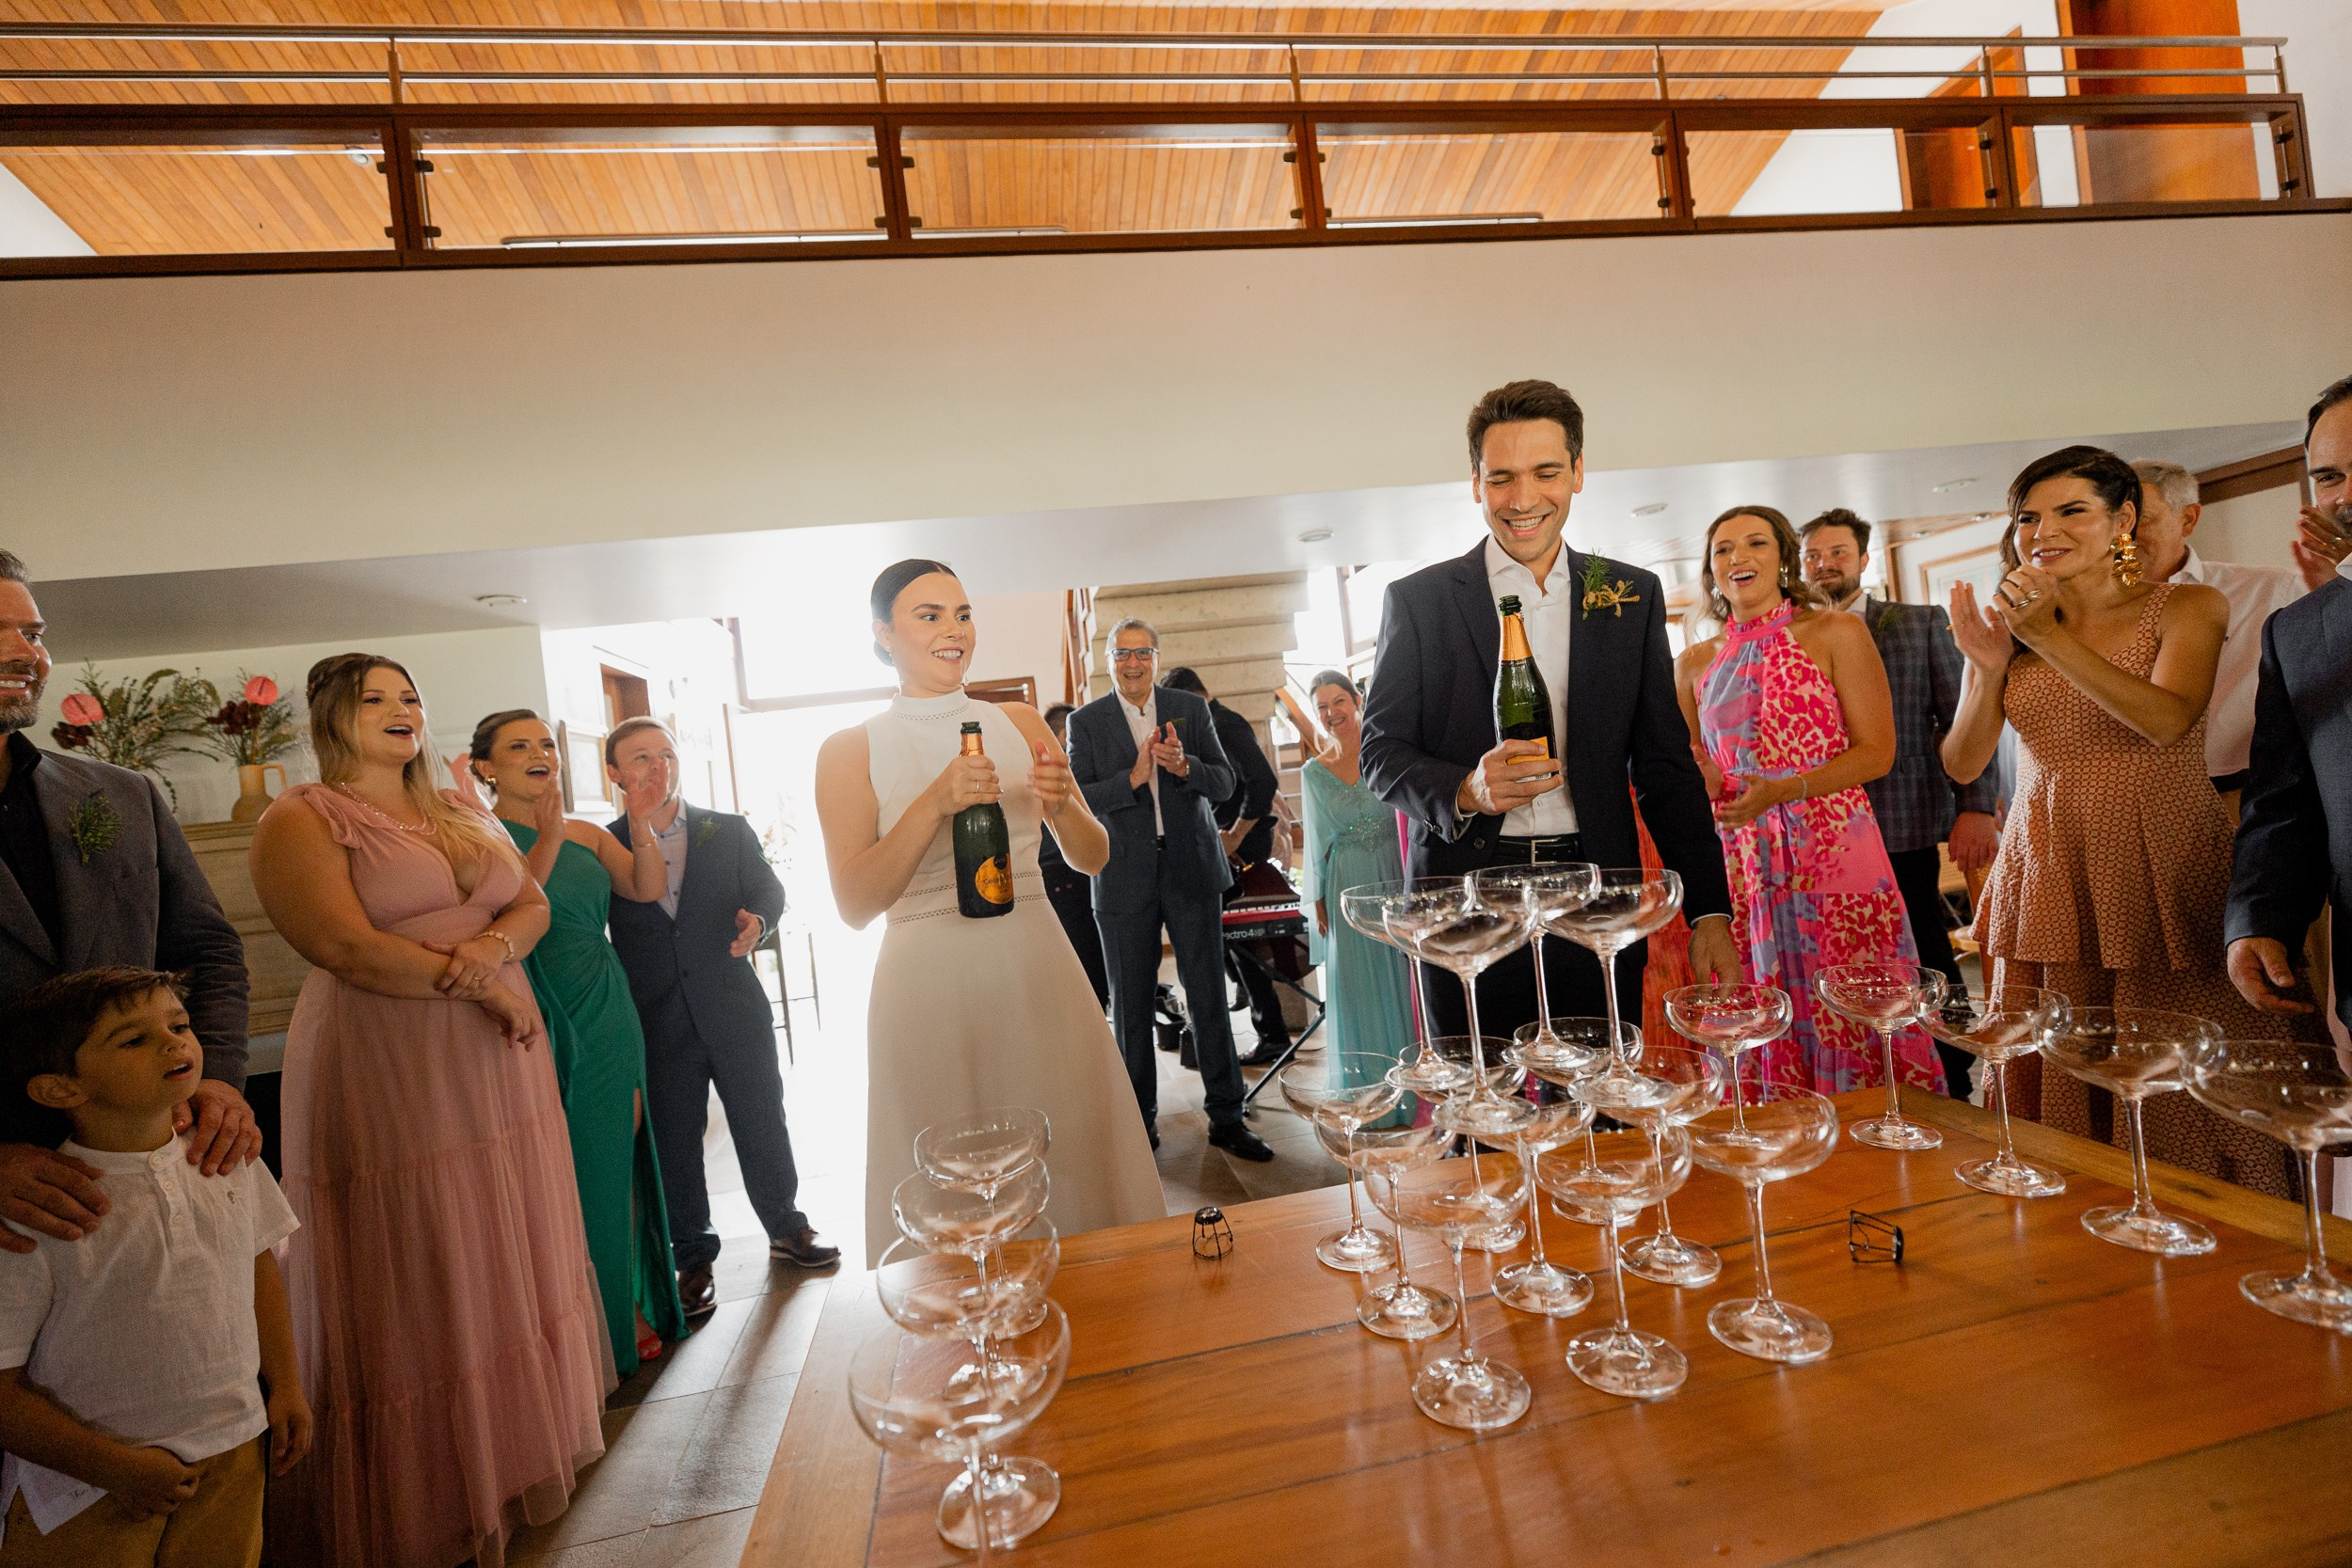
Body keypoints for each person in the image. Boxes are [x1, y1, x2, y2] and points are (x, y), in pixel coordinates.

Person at [250, 654, 610, 1566]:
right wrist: (479, 989)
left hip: (499, 1072)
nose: (402, 709)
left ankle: (508, 1456)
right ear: (334, 718)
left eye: (410, 695)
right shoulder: (301, 816)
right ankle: (427, 1493)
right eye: (376, 699)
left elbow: (527, 904)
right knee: (421, 1252)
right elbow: (342, 944)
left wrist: (492, 947)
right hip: (392, 1059)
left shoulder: (458, 808)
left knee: (500, 1246)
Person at [1943, 447, 2294, 1196]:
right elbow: (1964, 761)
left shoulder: (2186, 607)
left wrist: (2049, 640)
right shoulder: (2013, 625)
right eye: (2029, 516)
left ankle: (2205, 1218)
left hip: (2159, 852)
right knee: (2063, 1059)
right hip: (2046, 863)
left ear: (2123, 519)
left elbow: (2168, 721)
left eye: (2072, 510)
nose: (2045, 530)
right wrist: (1989, 662)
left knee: (2177, 1053)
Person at [1359, 379, 1738, 1045]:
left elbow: (1665, 768)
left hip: (1594, 895)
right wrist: (1467, 789)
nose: (1524, 498)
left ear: (1579, 474)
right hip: (1465, 901)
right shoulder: (1418, 603)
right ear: (1476, 483)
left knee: (1597, 1111)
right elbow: (1380, 754)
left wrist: (1710, 912)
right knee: (1482, 1111)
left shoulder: (1629, 594)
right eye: (1502, 477)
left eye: (1546, 472)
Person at [814, 562, 1164, 1263]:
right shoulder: (850, 749)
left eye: (963, 613)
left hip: (1038, 968)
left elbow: (1093, 855)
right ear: (882, 633)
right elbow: (855, 902)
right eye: (929, 614)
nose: (954, 630)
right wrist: (933, 804)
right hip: (930, 984)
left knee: (1071, 1151)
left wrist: (1063, 802)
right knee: (957, 1176)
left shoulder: (1020, 721)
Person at [0, 969, 307, 1567]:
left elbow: (256, 1266)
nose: (174, 1043)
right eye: (133, 1040)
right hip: (88, 1485)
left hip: (231, 1451)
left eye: (179, 1025)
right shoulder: (45, 1206)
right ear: (60, 1089)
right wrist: (114, 1467)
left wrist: (287, 1383)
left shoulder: (226, 1157)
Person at [0, 549, 257, 1257]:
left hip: (153, 1165)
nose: (28, 653)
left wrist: (218, 1081)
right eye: (2, 631)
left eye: (35, 633)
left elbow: (206, 950)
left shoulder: (120, 795)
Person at [1675, 506, 1944, 1097]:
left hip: (1833, 843)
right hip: (1742, 855)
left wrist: (1785, 789)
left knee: (1849, 992)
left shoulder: (1836, 633)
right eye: (1723, 549)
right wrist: (1704, 775)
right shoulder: (1695, 662)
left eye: (1755, 544)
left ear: (1783, 558)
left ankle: (1880, 1129)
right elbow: (1687, 761)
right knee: (1755, 997)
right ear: (1709, 568)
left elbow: (1877, 753)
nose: (1737, 558)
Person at [467, 709, 689, 1379]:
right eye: (519, 745)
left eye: (546, 743)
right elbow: (509, 909)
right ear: (484, 766)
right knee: (552, 1169)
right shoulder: (473, 834)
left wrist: (640, 819)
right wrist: (549, 833)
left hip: (603, 1006)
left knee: (611, 1158)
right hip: (530, 1005)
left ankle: (620, 1306)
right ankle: (579, 1319)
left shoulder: (591, 832)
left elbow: (645, 888)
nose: (540, 753)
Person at [605, 719, 835, 1313]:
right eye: (640, 759)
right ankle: (693, 1258)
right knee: (675, 1138)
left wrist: (759, 923)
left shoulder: (726, 830)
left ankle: (787, 1227)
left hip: (734, 1006)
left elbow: (769, 891)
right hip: (656, 1015)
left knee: (761, 1116)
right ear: (614, 774)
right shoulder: (603, 844)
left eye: (666, 755)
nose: (658, 768)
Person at [1801, 508, 1998, 1096]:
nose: (1824, 564)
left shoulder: (1918, 622)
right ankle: (1864, 1067)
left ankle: (1951, 1069)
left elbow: (1962, 719)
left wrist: (1977, 805)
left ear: (1863, 560)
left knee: (1921, 945)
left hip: (1901, 817)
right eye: (1813, 555)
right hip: (1817, 827)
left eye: (1837, 553)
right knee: (1841, 953)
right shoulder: (1790, 633)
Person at [1067, 618, 1274, 1161]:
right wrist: (1132, 780)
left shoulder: (1191, 708)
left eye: (1143, 653)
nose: (1132, 664)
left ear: (1156, 658)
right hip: (1121, 877)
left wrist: (1187, 766)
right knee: (1130, 1006)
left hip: (1192, 870)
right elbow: (1077, 799)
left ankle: (1228, 1117)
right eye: (1122, 654)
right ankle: (1140, 1126)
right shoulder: (1086, 723)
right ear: (1107, 660)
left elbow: (1228, 783)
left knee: (1208, 996)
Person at [2228, 375, 2352, 1035]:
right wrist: (2260, 919)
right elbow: (2284, 802)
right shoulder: (2298, 631)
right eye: (2329, 476)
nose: (2347, 497)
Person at [2128, 459, 2350, 806]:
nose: (2122, 534)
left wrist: (2335, 594)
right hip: (2130, 803)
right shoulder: (2087, 612)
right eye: (2112, 519)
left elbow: (2335, 676)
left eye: (2138, 518)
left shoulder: (2272, 589)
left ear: (2188, 519)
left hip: (2247, 797)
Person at [1158, 666, 1290, 1067]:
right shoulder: (1213, 723)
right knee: (1231, 939)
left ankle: (1272, 1035)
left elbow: (1263, 783)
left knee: (1242, 940)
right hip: (1227, 843)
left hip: (1243, 847)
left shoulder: (1225, 725)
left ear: (1193, 697)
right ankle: (1254, 1009)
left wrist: (1233, 834)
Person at [1299, 672, 1414, 1092]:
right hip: (1345, 882)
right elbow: (1315, 847)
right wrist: (1317, 903)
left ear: (1357, 700)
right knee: (1358, 987)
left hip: (1394, 872)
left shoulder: (1387, 753)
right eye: (1322, 708)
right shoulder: (1314, 773)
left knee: (1402, 978)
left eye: (1338, 702)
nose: (1332, 714)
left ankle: (1413, 1082)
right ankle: (1368, 1087)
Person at [1037, 703, 1110, 1009]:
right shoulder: (1055, 769)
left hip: (1058, 872)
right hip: (1062, 873)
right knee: (1087, 967)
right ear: (1064, 734)